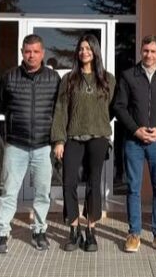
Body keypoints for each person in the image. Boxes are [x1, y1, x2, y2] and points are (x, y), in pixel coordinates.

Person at [113, 35, 156, 254]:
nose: (149, 55)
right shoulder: (128, 76)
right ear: (141, 52)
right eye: (145, 51)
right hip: (134, 141)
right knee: (133, 188)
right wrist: (136, 129)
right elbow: (119, 106)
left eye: (153, 51)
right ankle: (134, 233)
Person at [0, 34, 61, 253]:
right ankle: (2, 233)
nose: (31, 55)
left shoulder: (53, 79)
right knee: (9, 191)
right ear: (22, 52)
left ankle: (39, 231)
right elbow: (1, 105)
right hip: (16, 145)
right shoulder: (9, 77)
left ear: (43, 53)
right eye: (27, 51)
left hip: (43, 145)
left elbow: (58, 111)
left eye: (36, 51)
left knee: (42, 193)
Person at [52, 34, 115, 252]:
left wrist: (102, 126)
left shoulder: (108, 79)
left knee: (93, 184)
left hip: (98, 138)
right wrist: (59, 140)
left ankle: (91, 231)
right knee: (68, 182)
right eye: (81, 49)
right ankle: (73, 230)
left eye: (88, 48)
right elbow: (60, 111)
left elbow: (113, 108)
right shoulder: (68, 79)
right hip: (73, 137)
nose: (84, 52)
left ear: (95, 51)